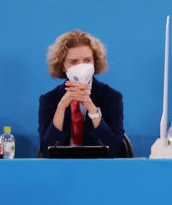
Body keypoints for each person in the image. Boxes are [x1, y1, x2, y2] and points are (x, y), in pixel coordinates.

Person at [38, 29, 125, 158]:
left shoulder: (111, 97)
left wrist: (91, 108)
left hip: (99, 169)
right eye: (74, 62)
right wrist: (61, 108)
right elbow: (46, 151)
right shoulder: (49, 99)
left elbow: (114, 150)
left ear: (94, 62)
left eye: (87, 60)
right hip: (62, 169)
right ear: (63, 65)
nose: (82, 66)